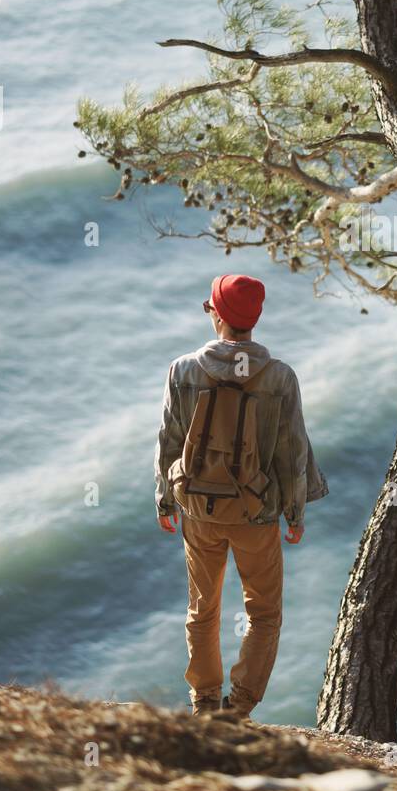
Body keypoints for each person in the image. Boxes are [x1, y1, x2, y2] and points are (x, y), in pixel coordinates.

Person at [155, 273, 328, 718]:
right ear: (255, 318)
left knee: (202, 608)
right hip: (256, 513)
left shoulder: (183, 370)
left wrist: (164, 498)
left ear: (217, 314)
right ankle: (242, 705)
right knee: (264, 614)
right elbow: (292, 451)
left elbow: (169, 441)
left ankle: (205, 700)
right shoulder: (280, 377)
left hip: (198, 508)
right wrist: (295, 512)